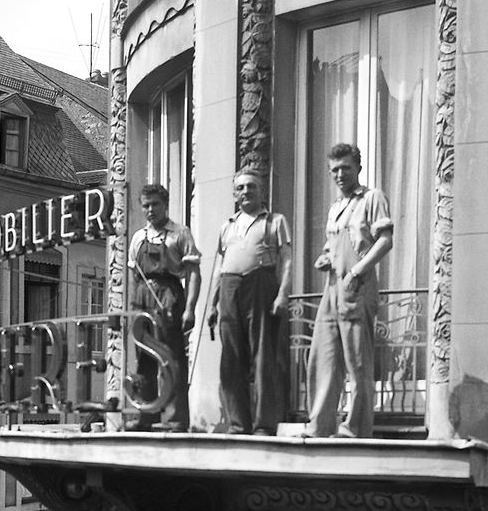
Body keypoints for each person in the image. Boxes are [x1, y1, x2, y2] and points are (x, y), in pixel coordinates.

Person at [306, 143, 393, 438]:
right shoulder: (335, 208)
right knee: (324, 358)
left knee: (358, 363)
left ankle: (354, 429)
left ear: (358, 167)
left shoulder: (372, 198)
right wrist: (325, 258)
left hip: (358, 285)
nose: (340, 174)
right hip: (332, 288)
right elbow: (334, 247)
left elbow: (384, 241)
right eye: (334, 170)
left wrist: (357, 271)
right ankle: (319, 426)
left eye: (345, 168)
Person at [208, 169, 292, 435]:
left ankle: (264, 424)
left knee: (263, 356)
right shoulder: (227, 226)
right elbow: (220, 267)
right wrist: (212, 304)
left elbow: (287, 260)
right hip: (230, 288)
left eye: (251, 187)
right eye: (241, 188)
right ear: (235, 194)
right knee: (231, 359)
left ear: (261, 190)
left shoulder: (275, 221)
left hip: (260, 285)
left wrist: (282, 294)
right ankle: (237, 423)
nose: (246, 192)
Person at [128, 183, 201, 430]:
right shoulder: (138, 238)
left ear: (165, 204)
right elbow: (134, 276)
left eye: (155, 204)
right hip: (142, 298)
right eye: (146, 206)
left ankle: (176, 418)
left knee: (171, 356)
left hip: (169, 293)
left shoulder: (180, 233)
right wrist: (133, 308)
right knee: (143, 358)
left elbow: (193, 274)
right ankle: (146, 414)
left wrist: (190, 308)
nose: (150, 210)